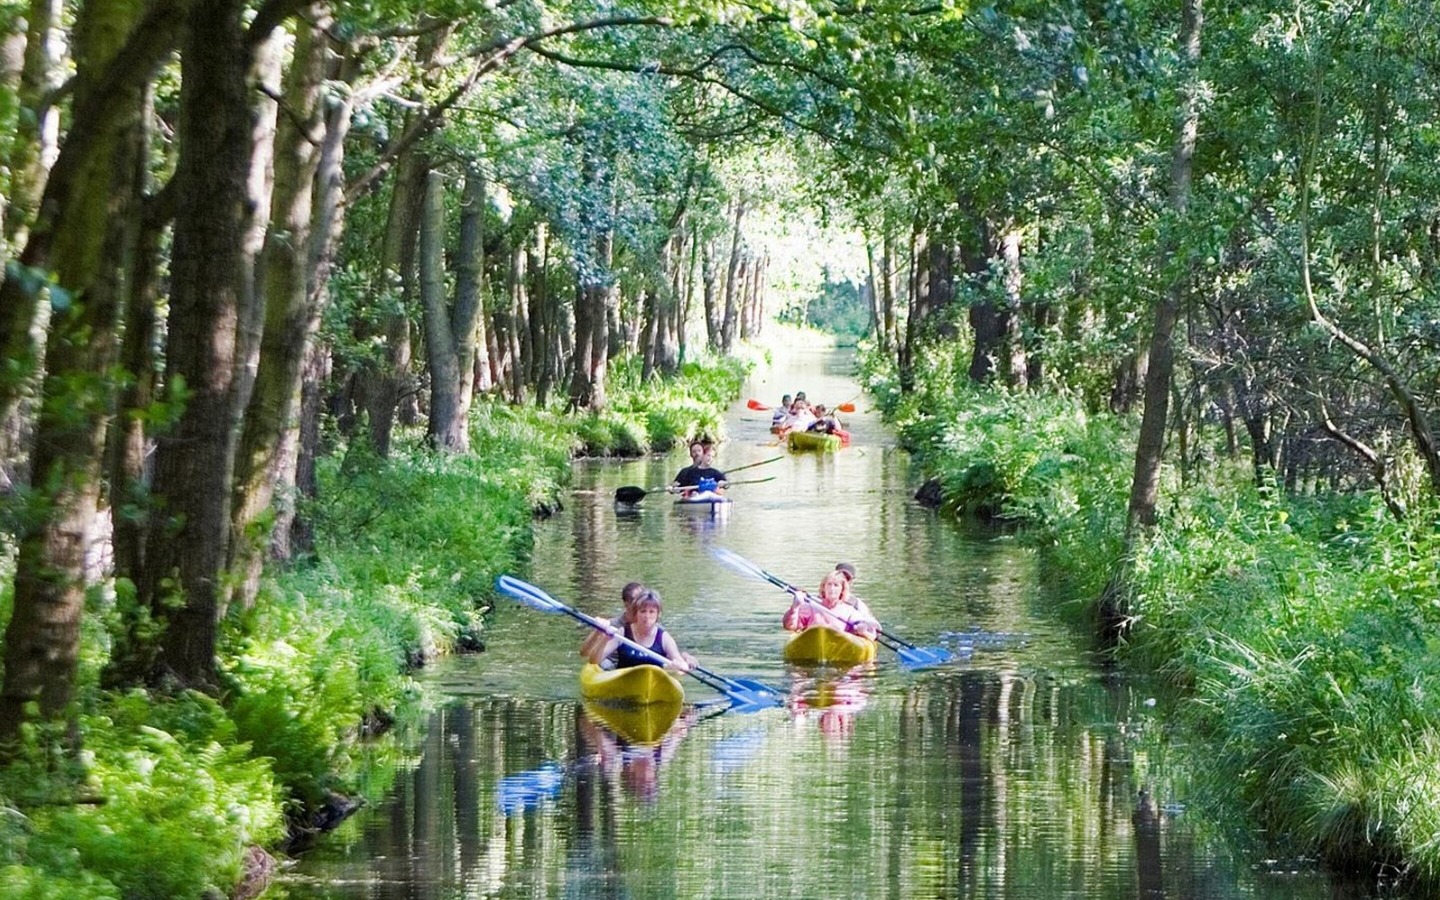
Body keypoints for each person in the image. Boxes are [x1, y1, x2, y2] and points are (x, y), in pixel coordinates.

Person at [588, 589, 691, 671]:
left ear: (658, 614)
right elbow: (594, 661)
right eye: (643, 611)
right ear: (636, 613)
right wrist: (604, 639)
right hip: (624, 687)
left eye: (652, 612)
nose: (647, 616)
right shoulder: (623, 633)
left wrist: (675, 668)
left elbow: (682, 667)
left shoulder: (664, 637)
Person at [781, 570, 878, 640]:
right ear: (823, 588)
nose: (832, 589)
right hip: (812, 645)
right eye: (829, 584)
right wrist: (795, 607)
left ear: (842, 590)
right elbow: (789, 626)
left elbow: (872, 636)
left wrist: (862, 631)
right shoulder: (810, 607)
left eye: (836, 585)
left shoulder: (850, 611)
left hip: (838, 649)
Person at [580, 581, 645, 665]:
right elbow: (584, 653)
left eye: (644, 600)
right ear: (626, 604)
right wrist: (598, 631)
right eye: (637, 601)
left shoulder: (651, 627)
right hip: (611, 667)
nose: (642, 604)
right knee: (606, 664)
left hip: (637, 665)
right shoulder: (611, 624)